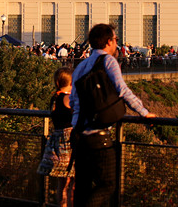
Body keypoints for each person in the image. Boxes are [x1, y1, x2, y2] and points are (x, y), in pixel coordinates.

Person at [71, 24, 155, 207]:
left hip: (78, 134)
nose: (117, 43)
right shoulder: (108, 61)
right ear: (109, 41)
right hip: (98, 136)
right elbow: (122, 90)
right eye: (116, 40)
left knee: (82, 187)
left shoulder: (81, 65)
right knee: (108, 185)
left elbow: (72, 100)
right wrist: (144, 113)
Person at [37, 67, 75, 207]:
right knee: (72, 181)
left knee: (62, 182)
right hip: (70, 142)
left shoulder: (55, 97)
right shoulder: (68, 98)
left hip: (58, 140)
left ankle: (62, 205)